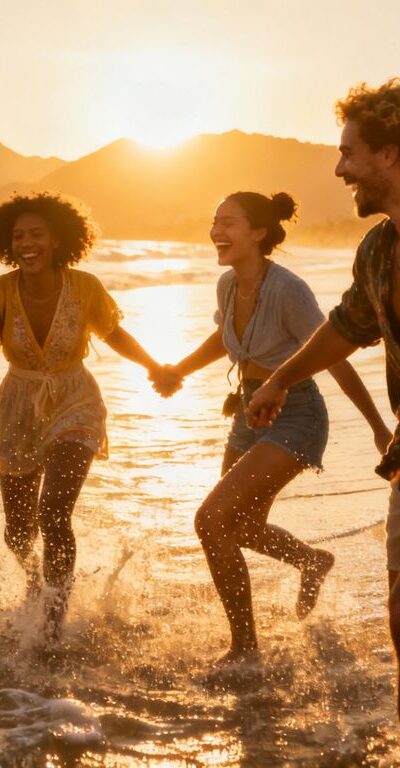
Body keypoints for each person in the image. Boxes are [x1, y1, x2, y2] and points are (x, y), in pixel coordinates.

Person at [150, 189, 391, 667]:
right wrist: (179, 369)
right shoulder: (227, 285)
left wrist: (379, 429)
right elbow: (226, 339)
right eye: (215, 221)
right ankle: (311, 560)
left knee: (211, 520)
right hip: (247, 412)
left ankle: (244, 649)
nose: (217, 231)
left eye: (229, 222)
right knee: (239, 525)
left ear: (259, 232)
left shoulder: (288, 289)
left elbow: (334, 353)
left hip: (296, 414)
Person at [0, 192, 165, 643]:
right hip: (17, 407)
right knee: (18, 530)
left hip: (76, 400)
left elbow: (114, 334)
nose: (26, 243)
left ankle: (53, 621)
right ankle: (35, 583)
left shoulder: (85, 287)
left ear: (57, 240)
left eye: (36, 234)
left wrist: (155, 367)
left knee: (54, 511)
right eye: (18, 236)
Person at [246, 79, 400, 709]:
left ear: (391, 152)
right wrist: (282, 377)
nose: (339, 169)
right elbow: (348, 326)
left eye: (349, 152)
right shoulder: (378, 249)